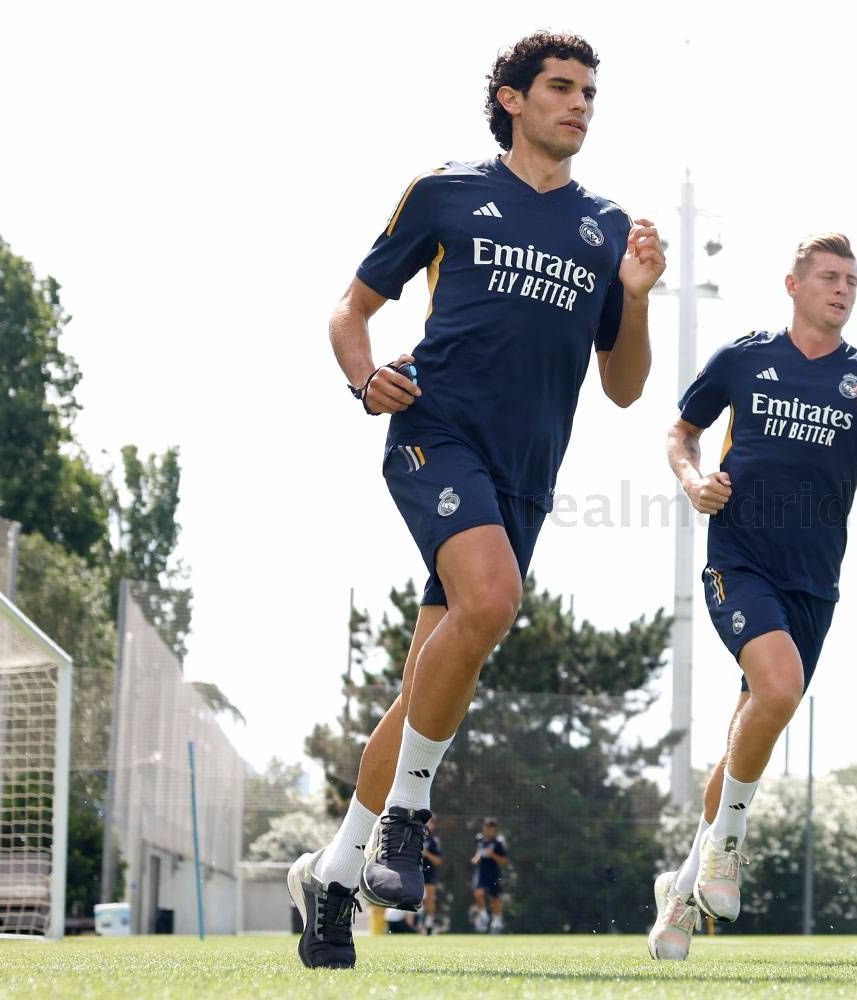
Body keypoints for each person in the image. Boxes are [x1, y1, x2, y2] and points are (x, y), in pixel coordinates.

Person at [288, 30, 665, 970]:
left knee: (426, 680)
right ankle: (408, 815)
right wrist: (363, 378)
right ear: (511, 99)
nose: (579, 105)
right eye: (561, 88)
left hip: (524, 477)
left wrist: (638, 298)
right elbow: (349, 310)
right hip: (434, 433)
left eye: (589, 93)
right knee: (493, 599)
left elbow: (624, 388)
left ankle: (331, 876)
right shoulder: (445, 191)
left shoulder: (607, 226)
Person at [647, 234, 857, 960]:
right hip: (740, 562)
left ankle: (678, 894)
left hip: (814, 583)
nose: (842, 289)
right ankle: (728, 845)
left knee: (754, 724)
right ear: (793, 285)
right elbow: (681, 431)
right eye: (829, 277)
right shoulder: (745, 358)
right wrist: (693, 481)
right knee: (778, 689)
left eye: (852, 281)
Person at [471, 817, 510, 934]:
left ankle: (497, 921)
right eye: (486, 828)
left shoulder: (499, 842)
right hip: (482, 873)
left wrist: (493, 855)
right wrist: (476, 858)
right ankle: (484, 916)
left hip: (494, 874)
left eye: (490, 828)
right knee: (478, 893)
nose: (487, 830)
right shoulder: (480, 840)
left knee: (495, 898)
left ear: (494, 829)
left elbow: (504, 861)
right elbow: (479, 852)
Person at [420, 814, 443, 934]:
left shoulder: (434, 841)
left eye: (431, 823)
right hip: (415, 872)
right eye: (426, 822)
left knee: (429, 899)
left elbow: (438, 861)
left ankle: (429, 923)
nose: (428, 825)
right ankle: (419, 923)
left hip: (429, 873)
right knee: (418, 899)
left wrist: (427, 854)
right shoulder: (416, 837)